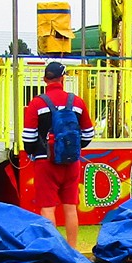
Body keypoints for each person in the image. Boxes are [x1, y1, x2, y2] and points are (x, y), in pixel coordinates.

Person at [21, 59, 98, 248]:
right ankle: (73, 250)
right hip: (71, 161)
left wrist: (34, 152)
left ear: (45, 79)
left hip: (45, 162)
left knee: (48, 208)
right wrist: (73, 147)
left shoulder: (36, 103)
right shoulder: (77, 102)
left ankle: (55, 251)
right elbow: (88, 133)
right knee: (71, 208)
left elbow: (28, 137)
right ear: (63, 78)